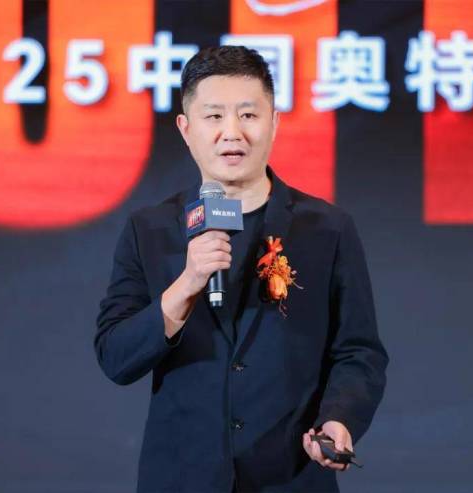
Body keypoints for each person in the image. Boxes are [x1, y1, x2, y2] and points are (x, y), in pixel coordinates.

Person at [95, 46, 388, 493]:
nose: (232, 132)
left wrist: (340, 418)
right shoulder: (149, 229)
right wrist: (187, 284)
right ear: (186, 128)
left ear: (274, 122)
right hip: (181, 478)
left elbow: (358, 351)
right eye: (214, 116)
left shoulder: (326, 228)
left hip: (291, 477)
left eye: (248, 115)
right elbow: (116, 357)